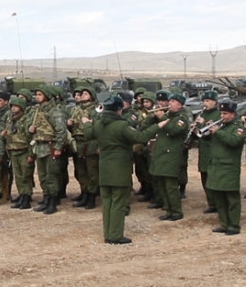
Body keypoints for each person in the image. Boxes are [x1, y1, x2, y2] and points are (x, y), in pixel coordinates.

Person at [83, 95, 167, 244]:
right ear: (119, 110)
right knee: (119, 202)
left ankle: (108, 234)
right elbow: (140, 137)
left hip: (104, 168)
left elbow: (88, 134)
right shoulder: (121, 126)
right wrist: (158, 126)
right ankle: (115, 236)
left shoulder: (98, 124)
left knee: (107, 202)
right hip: (119, 168)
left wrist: (87, 123)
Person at [148, 93, 190, 221]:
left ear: (180, 104)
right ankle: (168, 209)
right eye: (170, 101)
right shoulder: (168, 115)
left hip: (171, 155)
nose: (170, 103)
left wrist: (162, 119)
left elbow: (173, 131)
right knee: (161, 184)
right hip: (160, 154)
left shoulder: (182, 118)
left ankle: (176, 211)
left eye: (173, 101)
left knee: (171, 186)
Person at [206, 100, 245, 235]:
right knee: (219, 197)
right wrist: (206, 132)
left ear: (233, 114)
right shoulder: (221, 126)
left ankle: (234, 226)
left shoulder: (239, 127)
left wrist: (217, 132)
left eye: (225, 113)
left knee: (231, 198)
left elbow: (234, 141)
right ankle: (224, 223)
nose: (222, 116)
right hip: (216, 166)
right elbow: (212, 141)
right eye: (221, 113)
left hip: (229, 168)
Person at [29, 86, 67, 214]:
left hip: (50, 146)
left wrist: (58, 147)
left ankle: (52, 202)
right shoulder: (37, 111)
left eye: (40, 94)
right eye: (36, 94)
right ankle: (46, 199)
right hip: (40, 146)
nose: (37, 96)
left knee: (52, 176)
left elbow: (61, 130)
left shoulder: (54, 111)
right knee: (43, 176)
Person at [2, 97, 34, 209]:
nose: (13, 108)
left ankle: (26, 198)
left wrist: (31, 155)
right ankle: (22, 196)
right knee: (19, 177)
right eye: (12, 106)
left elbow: (31, 139)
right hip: (13, 151)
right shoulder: (11, 120)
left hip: (24, 151)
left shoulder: (26, 120)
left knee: (26, 176)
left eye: (16, 106)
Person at [193, 90, 220, 213]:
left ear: (215, 102)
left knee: (214, 178)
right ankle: (211, 203)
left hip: (213, 150)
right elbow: (198, 136)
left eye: (208, 101)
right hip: (203, 151)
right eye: (204, 101)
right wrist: (194, 128)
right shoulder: (201, 113)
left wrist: (205, 125)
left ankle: (218, 203)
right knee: (204, 176)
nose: (205, 103)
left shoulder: (219, 115)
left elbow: (215, 134)